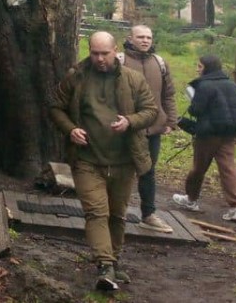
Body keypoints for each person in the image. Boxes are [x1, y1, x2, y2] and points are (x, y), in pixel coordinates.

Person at [49, 31, 157, 292]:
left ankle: (113, 260)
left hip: (123, 161)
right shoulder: (76, 77)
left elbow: (151, 111)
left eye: (104, 54)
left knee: (117, 215)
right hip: (87, 159)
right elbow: (55, 106)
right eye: (94, 53)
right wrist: (70, 129)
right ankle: (105, 265)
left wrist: (130, 121)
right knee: (96, 212)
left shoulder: (132, 79)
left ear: (115, 50)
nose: (99, 59)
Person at [171, 54, 236, 223]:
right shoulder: (232, 85)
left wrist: (192, 100)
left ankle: (191, 200)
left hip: (207, 135)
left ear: (207, 68)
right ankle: (235, 208)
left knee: (198, 169)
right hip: (229, 134)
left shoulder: (204, 85)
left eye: (199, 66)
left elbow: (195, 110)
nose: (197, 69)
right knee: (228, 169)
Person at [118, 25, 178, 234]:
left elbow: (168, 94)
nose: (145, 40)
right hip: (124, 127)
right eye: (140, 37)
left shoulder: (159, 63)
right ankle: (115, 211)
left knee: (148, 171)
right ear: (130, 38)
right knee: (119, 169)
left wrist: (170, 121)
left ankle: (148, 215)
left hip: (153, 128)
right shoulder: (119, 61)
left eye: (148, 37)